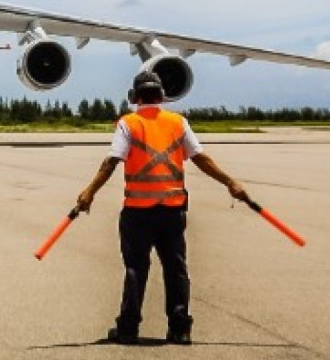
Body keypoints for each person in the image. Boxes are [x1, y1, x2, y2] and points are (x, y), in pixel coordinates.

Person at [75, 71, 249, 345]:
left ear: (135, 96)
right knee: (176, 268)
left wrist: (89, 192)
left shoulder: (128, 123)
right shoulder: (178, 123)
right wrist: (230, 182)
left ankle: (128, 328)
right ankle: (180, 329)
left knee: (136, 269)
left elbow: (111, 161)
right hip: (172, 210)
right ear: (161, 96)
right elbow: (200, 158)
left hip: (138, 212)